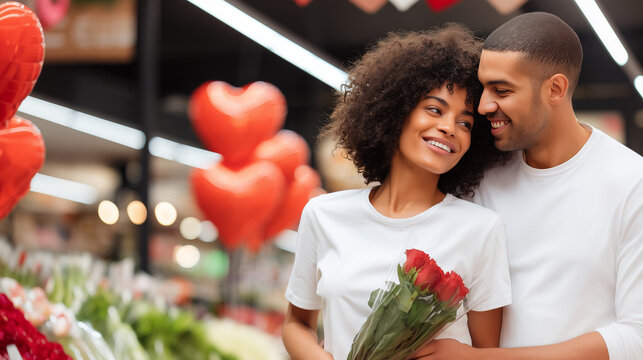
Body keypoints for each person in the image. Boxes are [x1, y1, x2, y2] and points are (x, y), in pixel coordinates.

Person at [413, 12, 643, 360]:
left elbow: (636, 336)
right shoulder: (477, 176)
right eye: (483, 88)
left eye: (501, 90)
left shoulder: (631, 182)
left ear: (555, 89)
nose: (485, 105)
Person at [282, 24, 513, 360]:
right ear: (396, 111)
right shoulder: (323, 214)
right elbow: (296, 323)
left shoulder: (481, 229)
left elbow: (486, 352)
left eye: (465, 122)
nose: (450, 127)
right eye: (435, 109)